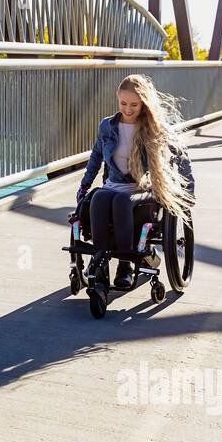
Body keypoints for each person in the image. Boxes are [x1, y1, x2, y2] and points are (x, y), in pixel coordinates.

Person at [72, 74, 196, 291]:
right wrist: (84, 185)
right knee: (99, 198)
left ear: (144, 104)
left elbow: (181, 156)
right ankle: (99, 262)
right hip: (113, 184)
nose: (128, 109)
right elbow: (96, 157)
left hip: (143, 188)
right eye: (123, 103)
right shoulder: (107, 126)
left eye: (134, 105)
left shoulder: (154, 128)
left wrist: (188, 191)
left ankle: (125, 264)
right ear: (118, 100)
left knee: (121, 200)